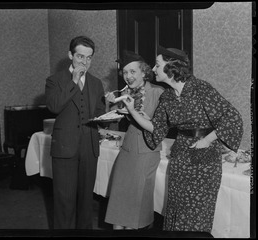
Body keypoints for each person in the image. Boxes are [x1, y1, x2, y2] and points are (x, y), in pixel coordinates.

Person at [121, 46, 243, 233]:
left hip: (205, 162)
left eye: (158, 65)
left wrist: (208, 140)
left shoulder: (200, 88)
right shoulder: (168, 96)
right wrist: (132, 111)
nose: (153, 69)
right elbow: (157, 128)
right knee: (176, 211)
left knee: (196, 216)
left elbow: (232, 117)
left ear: (171, 67)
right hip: (180, 160)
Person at [45, 36, 106, 229]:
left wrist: (105, 122)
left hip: (90, 148)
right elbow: (54, 107)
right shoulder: (54, 80)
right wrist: (73, 81)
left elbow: (99, 112)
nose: (85, 62)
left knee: (86, 201)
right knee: (64, 201)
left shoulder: (96, 83)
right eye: (80, 56)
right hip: (64, 148)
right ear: (70, 55)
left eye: (89, 58)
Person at [104, 50, 164, 230]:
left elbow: (164, 125)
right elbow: (113, 119)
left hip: (146, 152)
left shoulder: (158, 92)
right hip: (128, 149)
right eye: (125, 72)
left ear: (144, 72)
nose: (128, 76)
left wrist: (142, 116)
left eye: (132, 72)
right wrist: (111, 102)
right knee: (119, 198)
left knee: (136, 206)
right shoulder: (125, 93)